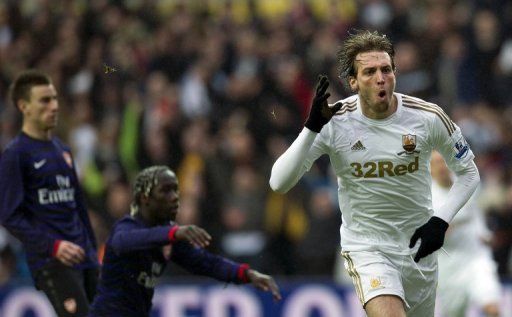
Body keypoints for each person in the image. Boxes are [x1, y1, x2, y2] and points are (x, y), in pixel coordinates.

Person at [269, 30, 480, 317]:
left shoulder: (428, 117)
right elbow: (278, 182)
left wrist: (440, 221)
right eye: (369, 72)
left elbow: (469, 173)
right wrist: (310, 128)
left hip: (418, 248)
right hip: (368, 248)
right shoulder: (333, 122)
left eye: (386, 69)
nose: (380, 78)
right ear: (353, 82)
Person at [88, 165, 281, 317]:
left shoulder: (166, 235)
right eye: (165, 191)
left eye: (175, 191)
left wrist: (246, 273)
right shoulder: (127, 228)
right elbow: (124, 242)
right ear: (145, 198)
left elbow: (206, 263)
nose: (174, 198)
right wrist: (172, 233)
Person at [0, 70, 98, 316]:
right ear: (24, 107)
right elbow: (9, 216)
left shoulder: (62, 150)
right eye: (44, 100)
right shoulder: (16, 154)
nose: (54, 106)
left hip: (84, 256)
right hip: (52, 261)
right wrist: (53, 246)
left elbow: (78, 206)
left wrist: (93, 253)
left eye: (54, 98)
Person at [431, 151, 501, 317]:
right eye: (436, 163)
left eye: (444, 161)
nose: (442, 166)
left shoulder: (468, 183)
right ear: (430, 168)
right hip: (449, 267)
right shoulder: (427, 199)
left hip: (476, 258)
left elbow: (475, 212)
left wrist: (485, 233)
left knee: (493, 308)